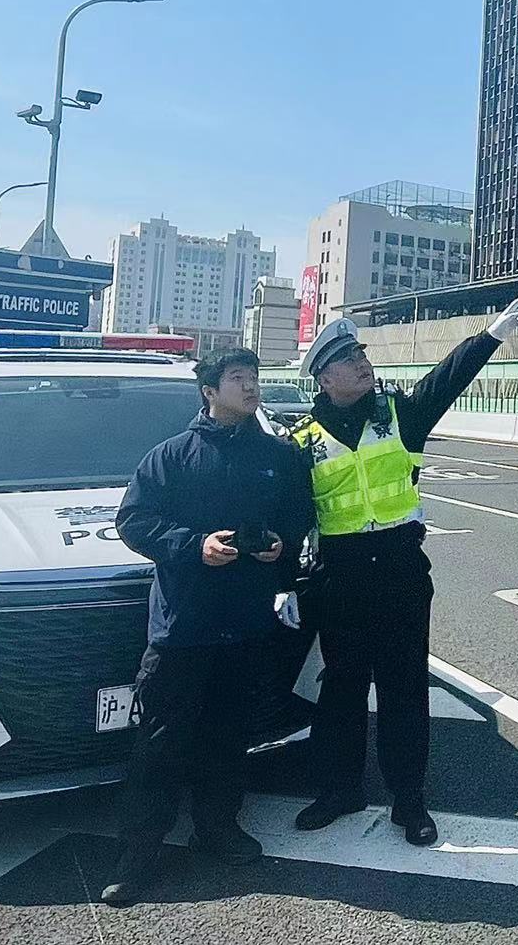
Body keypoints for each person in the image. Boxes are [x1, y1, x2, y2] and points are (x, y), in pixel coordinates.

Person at [282, 296, 518, 845]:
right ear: (324, 378)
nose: (362, 363)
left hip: (399, 570)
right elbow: (292, 518)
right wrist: (285, 586)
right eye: (348, 359)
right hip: (340, 577)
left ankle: (409, 802)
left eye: (361, 355)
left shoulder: (399, 415)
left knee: (404, 689)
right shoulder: (301, 441)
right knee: (341, 689)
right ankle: (339, 790)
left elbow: (447, 380)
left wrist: (490, 336)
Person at [100, 347, 315, 908]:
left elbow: (299, 515)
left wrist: (280, 545)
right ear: (210, 391)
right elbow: (134, 520)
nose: (251, 386)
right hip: (184, 626)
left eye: (254, 377)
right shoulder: (171, 456)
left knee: (229, 736)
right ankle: (138, 854)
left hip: (246, 623)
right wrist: (194, 546)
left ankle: (217, 829)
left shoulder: (278, 456)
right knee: (160, 742)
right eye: (238, 378)